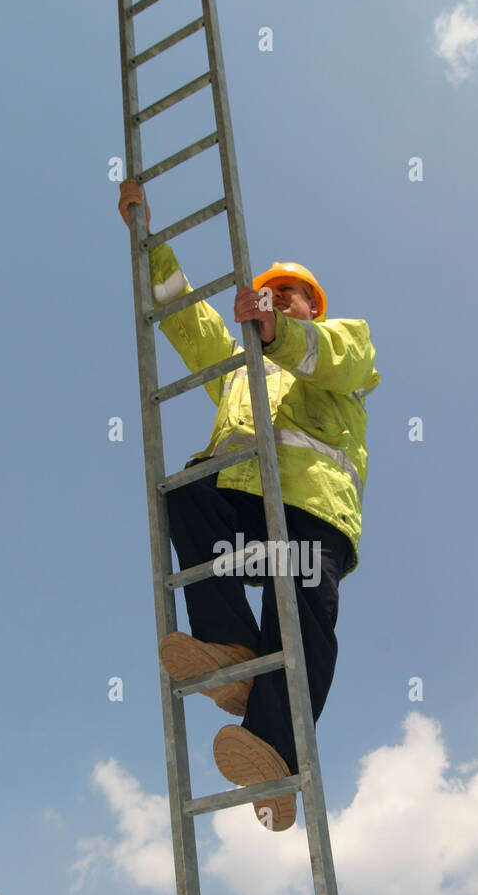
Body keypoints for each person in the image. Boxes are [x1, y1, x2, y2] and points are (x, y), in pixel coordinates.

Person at [118, 178, 379, 831]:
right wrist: (146, 236)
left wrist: (280, 332)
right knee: (186, 495)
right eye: (273, 291)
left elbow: (344, 358)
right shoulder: (242, 366)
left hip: (313, 510)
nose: (280, 297)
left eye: (292, 293)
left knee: (302, 612)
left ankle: (276, 749)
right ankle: (229, 647)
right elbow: (183, 316)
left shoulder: (337, 346)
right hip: (249, 506)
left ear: (311, 307)